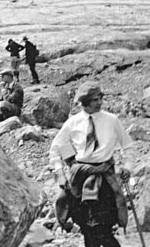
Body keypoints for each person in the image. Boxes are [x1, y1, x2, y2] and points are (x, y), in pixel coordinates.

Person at [50, 82, 134, 247]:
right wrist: (60, 173)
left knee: (104, 225)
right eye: (95, 100)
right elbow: (55, 149)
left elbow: (128, 146)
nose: (100, 102)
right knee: (86, 226)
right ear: (84, 102)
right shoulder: (73, 123)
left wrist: (128, 167)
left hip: (105, 177)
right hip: (80, 178)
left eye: (100, 98)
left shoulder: (112, 120)